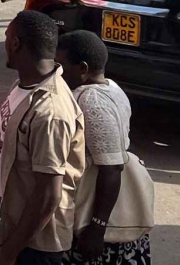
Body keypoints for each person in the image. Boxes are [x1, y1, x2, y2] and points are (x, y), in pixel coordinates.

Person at [0, 10, 85, 265]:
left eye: (7, 36)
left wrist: (9, 253)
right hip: (12, 222)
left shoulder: (50, 112)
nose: (5, 43)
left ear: (16, 44)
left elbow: (48, 194)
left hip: (35, 246)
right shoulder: (22, 86)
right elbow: (13, 156)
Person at [57, 32, 152, 265]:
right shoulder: (112, 87)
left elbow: (111, 167)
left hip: (98, 219)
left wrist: (97, 228)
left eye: (62, 67)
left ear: (83, 68)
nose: (58, 73)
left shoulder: (91, 101)